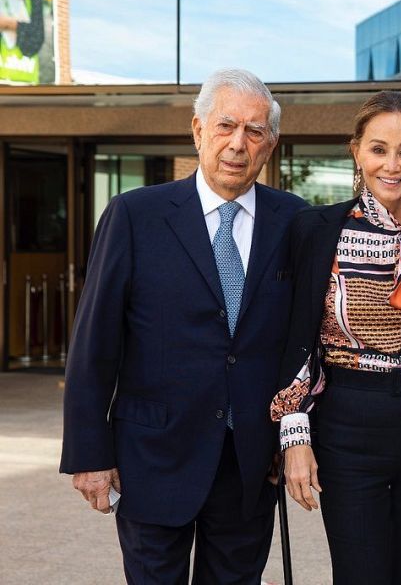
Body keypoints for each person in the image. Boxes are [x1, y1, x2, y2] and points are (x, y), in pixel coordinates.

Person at [59, 68, 308, 583]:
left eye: (254, 131)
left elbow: (306, 343)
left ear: (271, 144)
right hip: (152, 458)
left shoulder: (297, 222)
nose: (237, 143)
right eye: (225, 126)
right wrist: (88, 453)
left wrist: (297, 437)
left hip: (250, 464)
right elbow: (94, 343)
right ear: (198, 131)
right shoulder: (135, 215)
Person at [269, 90, 401, 585]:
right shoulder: (316, 229)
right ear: (356, 151)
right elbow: (294, 338)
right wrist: (294, 437)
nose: (392, 164)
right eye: (379, 149)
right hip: (345, 424)